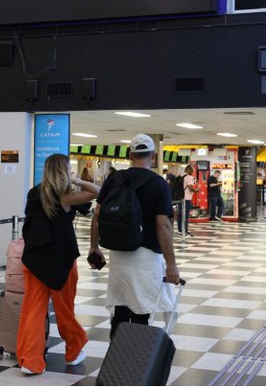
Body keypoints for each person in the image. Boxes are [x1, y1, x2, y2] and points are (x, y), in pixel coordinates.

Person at [89, 134, 180, 340]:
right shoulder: (158, 184)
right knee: (142, 310)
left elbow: (97, 216)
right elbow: (162, 225)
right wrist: (171, 263)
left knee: (120, 311)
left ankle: (115, 358)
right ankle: (134, 364)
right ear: (154, 155)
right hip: (146, 257)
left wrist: (94, 247)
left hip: (118, 254)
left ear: (130, 155)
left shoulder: (113, 179)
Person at [17, 154, 99, 375]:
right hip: (61, 260)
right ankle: (74, 349)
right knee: (64, 310)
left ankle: (30, 361)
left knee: (33, 310)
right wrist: (77, 180)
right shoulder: (65, 195)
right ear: (64, 170)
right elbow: (97, 192)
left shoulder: (35, 193)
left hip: (34, 258)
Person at [181, 165, 197, 232]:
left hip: (181, 197)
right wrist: (196, 190)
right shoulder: (189, 177)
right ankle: (185, 231)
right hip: (187, 198)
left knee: (181, 215)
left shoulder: (181, 176)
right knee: (186, 215)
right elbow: (191, 188)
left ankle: (180, 230)